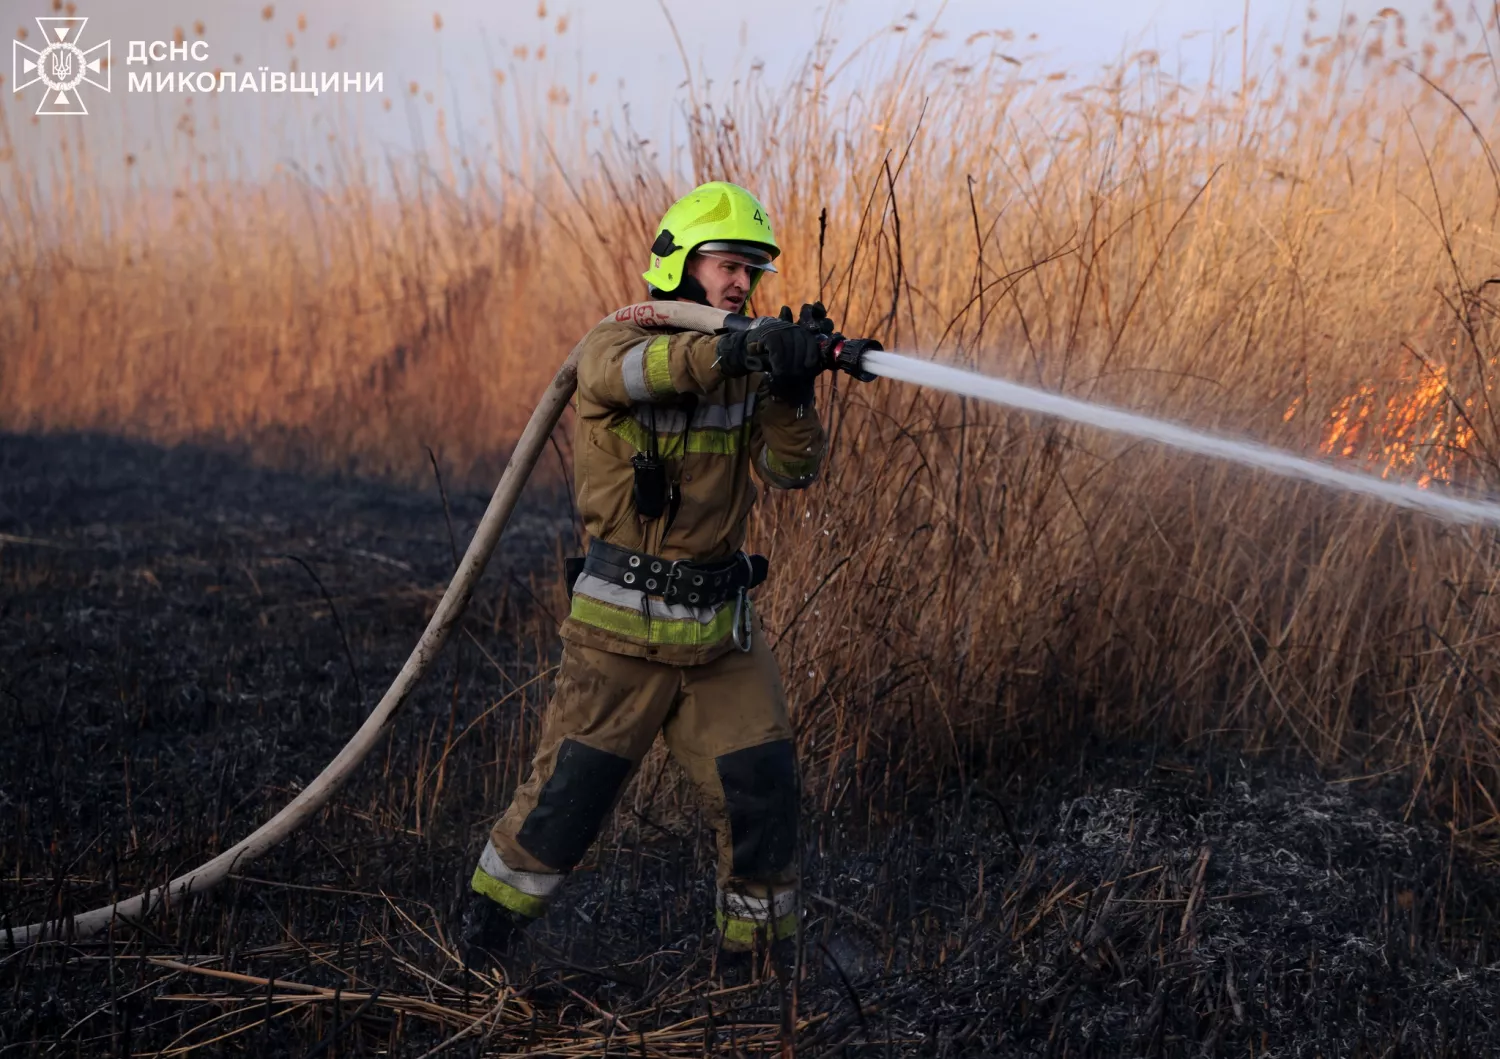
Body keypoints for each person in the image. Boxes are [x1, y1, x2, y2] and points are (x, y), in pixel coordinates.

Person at [461, 180, 836, 969]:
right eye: (728, 264)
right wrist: (737, 346)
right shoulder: (614, 344)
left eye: (753, 270)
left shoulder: (746, 365)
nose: (742, 283)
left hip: (720, 636)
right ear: (677, 265)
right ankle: (477, 950)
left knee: (763, 794)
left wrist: (793, 390)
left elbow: (792, 469)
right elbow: (645, 373)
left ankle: (756, 979)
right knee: (564, 807)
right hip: (620, 642)